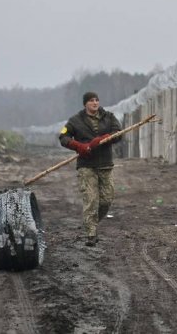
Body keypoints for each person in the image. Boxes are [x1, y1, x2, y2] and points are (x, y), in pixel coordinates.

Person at [59, 91, 123, 247]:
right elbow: (63, 137)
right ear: (85, 104)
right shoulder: (75, 121)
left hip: (105, 164)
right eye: (91, 101)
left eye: (97, 100)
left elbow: (119, 133)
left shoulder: (109, 117)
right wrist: (78, 146)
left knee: (106, 199)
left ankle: (92, 222)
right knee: (91, 199)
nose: (95, 103)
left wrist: (102, 139)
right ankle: (91, 234)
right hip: (86, 166)